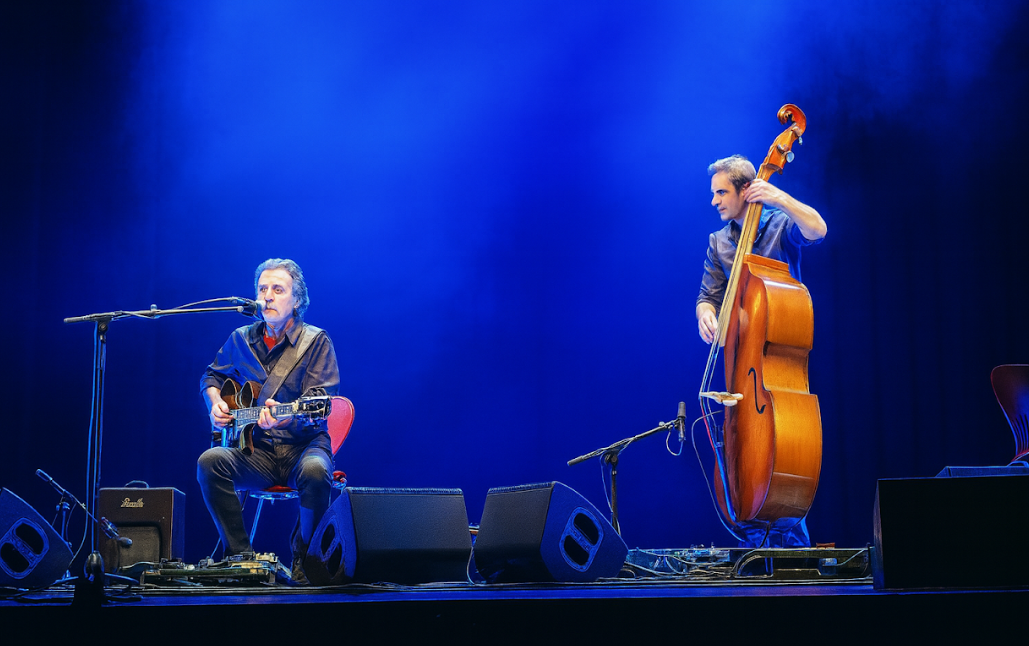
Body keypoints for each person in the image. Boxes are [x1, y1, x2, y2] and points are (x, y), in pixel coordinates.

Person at [695, 154, 827, 548]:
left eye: (722, 192)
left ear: (745, 190)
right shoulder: (718, 242)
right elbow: (707, 297)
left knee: (781, 467)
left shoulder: (780, 225)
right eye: (714, 193)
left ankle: (793, 555)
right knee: (743, 472)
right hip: (741, 373)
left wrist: (778, 197)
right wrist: (705, 315)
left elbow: (818, 229)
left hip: (776, 371)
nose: (715, 201)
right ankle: (752, 549)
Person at [197, 258, 339, 583]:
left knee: (316, 471)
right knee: (209, 462)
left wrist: (284, 420)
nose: (268, 296)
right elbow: (211, 376)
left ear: (297, 300)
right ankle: (241, 559)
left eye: (278, 289)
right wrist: (215, 402)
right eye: (262, 289)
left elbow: (320, 403)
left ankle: (307, 559)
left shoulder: (316, 341)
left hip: (303, 448)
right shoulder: (240, 339)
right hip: (256, 452)